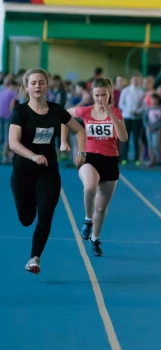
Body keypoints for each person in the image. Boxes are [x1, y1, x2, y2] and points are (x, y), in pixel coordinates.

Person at [8, 68, 86, 273]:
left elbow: (80, 130)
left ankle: (34, 258)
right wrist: (33, 156)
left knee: (46, 214)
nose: (37, 86)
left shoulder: (56, 110)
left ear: (47, 85)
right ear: (26, 86)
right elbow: (13, 143)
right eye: (33, 83)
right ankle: (33, 198)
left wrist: (80, 152)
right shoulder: (20, 112)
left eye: (41, 82)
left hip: (48, 171)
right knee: (26, 219)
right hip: (23, 171)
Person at [64, 78, 128, 257]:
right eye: (97, 95)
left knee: (101, 207)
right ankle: (87, 220)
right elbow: (64, 115)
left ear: (109, 94)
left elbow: (123, 138)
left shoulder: (116, 112)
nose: (100, 98)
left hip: (110, 160)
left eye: (104, 95)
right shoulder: (85, 111)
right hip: (89, 157)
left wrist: (111, 114)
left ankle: (95, 238)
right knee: (90, 187)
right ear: (92, 95)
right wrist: (64, 140)